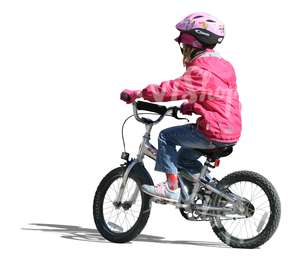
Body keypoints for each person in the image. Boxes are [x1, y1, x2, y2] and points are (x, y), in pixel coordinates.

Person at [120, 12, 242, 202]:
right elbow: (214, 95)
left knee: (165, 137)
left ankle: (171, 187)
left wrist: (139, 93)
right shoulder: (223, 67)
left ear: (193, 45)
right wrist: (188, 108)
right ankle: (211, 192)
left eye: (184, 44)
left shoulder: (201, 70)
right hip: (230, 129)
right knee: (184, 159)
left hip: (213, 131)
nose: (183, 49)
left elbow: (169, 91)